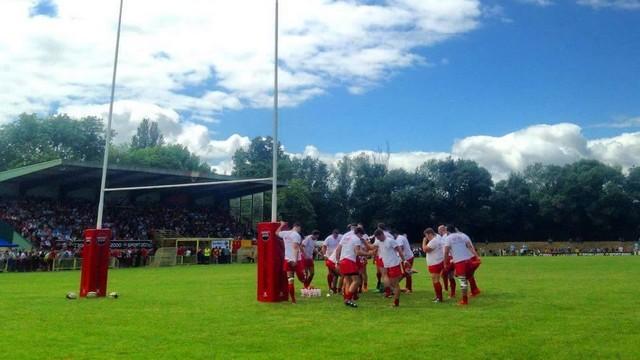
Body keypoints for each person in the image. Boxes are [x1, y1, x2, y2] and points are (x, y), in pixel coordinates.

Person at [443, 224, 481, 305]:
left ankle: (464, 300)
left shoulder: (448, 238)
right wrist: (477, 256)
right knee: (467, 277)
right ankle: (474, 291)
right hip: (468, 260)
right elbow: (470, 247)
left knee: (462, 281)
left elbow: (446, 252)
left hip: (459, 262)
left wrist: (445, 263)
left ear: (448, 231)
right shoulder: (463, 235)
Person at [334, 227, 371, 308]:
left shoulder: (346, 237)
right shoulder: (356, 239)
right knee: (356, 280)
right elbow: (358, 252)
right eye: (362, 236)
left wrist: (337, 261)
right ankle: (348, 299)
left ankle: (347, 299)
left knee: (348, 281)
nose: (361, 238)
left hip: (342, 260)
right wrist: (369, 254)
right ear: (360, 234)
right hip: (349, 261)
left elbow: (338, 250)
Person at [372, 229, 410, 307]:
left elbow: (399, 250)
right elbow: (371, 246)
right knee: (392, 284)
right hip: (387, 265)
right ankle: (406, 274)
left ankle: (396, 303)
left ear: (382, 234)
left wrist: (404, 260)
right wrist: (362, 240)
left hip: (394, 264)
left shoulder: (390, 241)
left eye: (379, 238)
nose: (378, 240)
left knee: (395, 284)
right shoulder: (379, 241)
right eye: (377, 238)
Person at [276, 222, 305, 304]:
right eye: (300, 228)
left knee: (290, 280)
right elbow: (295, 248)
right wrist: (295, 260)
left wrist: (281, 225)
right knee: (302, 278)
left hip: (287, 260)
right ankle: (305, 283)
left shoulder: (285, 233)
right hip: (296, 260)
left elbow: (276, 233)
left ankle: (293, 300)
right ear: (297, 227)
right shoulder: (296, 235)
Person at [422, 228, 445, 303]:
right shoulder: (436, 238)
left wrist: (424, 242)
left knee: (436, 280)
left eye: (426, 235)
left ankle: (439, 298)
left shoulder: (434, 241)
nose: (426, 237)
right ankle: (437, 296)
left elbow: (425, 249)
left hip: (435, 263)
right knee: (434, 280)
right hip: (436, 262)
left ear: (430, 234)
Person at [438, 224, 456, 298]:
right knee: (449, 275)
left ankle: (449, 291)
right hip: (448, 257)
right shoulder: (443, 237)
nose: (439, 231)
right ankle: (449, 290)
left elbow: (447, 249)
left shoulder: (448, 237)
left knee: (446, 274)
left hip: (449, 257)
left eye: (439, 230)